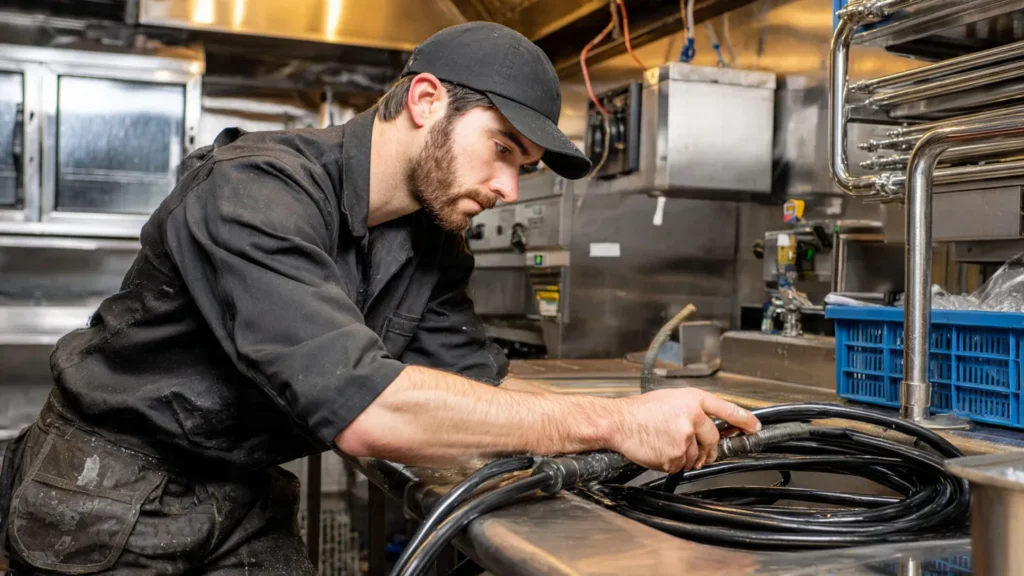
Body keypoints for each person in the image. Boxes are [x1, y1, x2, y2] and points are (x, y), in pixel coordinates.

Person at [0, 22, 760, 575]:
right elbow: (368, 411)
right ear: (426, 100)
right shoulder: (254, 191)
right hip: (109, 493)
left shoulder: (431, 244)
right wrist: (615, 421)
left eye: (522, 168)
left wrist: (655, 418)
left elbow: (480, 387)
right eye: (502, 150)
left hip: (241, 495)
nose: (506, 189)